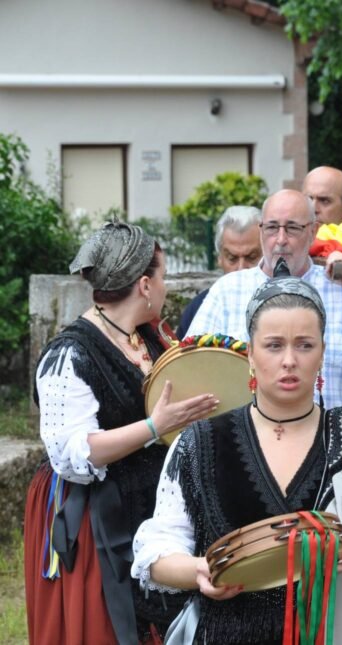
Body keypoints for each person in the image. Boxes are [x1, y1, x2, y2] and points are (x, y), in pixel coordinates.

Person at [133, 274, 342, 645]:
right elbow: (158, 554)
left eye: (304, 345)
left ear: (322, 352)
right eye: (274, 346)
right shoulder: (200, 443)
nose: (289, 360)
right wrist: (199, 571)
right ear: (251, 354)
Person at [24, 222, 220, 643]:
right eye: (164, 277)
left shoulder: (147, 337)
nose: (165, 286)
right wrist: (155, 427)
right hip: (93, 514)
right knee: (104, 627)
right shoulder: (70, 354)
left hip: (144, 496)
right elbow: (74, 453)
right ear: (145, 285)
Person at [187, 189, 342, 410]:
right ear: (261, 230)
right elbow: (191, 368)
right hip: (249, 440)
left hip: (335, 441)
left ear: (313, 232)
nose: (281, 240)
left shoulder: (341, 287)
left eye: (292, 228)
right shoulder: (228, 290)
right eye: (272, 228)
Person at [176, 206, 262, 338]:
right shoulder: (199, 307)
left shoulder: (282, 301)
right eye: (232, 258)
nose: (241, 268)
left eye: (251, 257)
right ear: (219, 259)